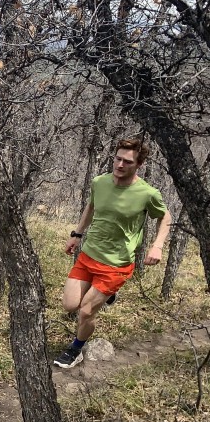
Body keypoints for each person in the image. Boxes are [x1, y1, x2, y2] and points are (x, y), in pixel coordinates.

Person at [55, 137, 172, 369]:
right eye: (117, 159)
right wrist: (77, 234)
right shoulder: (100, 182)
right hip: (89, 255)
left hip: (116, 264)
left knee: (86, 312)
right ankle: (107, 295)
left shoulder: (147, 194)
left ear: (139, 165)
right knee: (69, 305)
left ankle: (75, 349)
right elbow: (91, 206)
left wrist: (157, 245)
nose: (120, 165)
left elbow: (165, 217)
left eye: (127, 162)